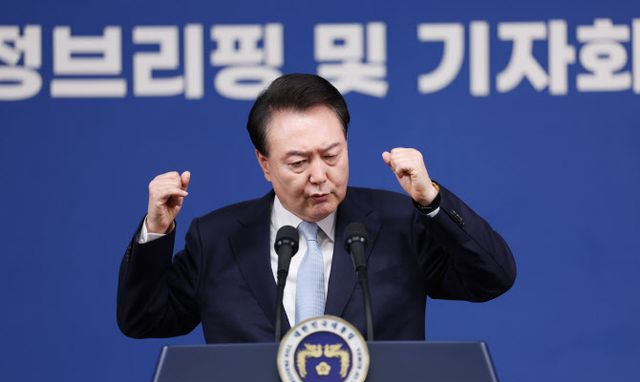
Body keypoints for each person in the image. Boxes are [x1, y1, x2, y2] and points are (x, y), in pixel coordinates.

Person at [117, 73, 516, 343]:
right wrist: (156, 231)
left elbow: (492, 278)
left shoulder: (398, 223)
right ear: (264, 164)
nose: (320, 176)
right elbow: (144, 319)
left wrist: (431, 202)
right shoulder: (217, 238)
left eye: (332, 155)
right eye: (298, 162)